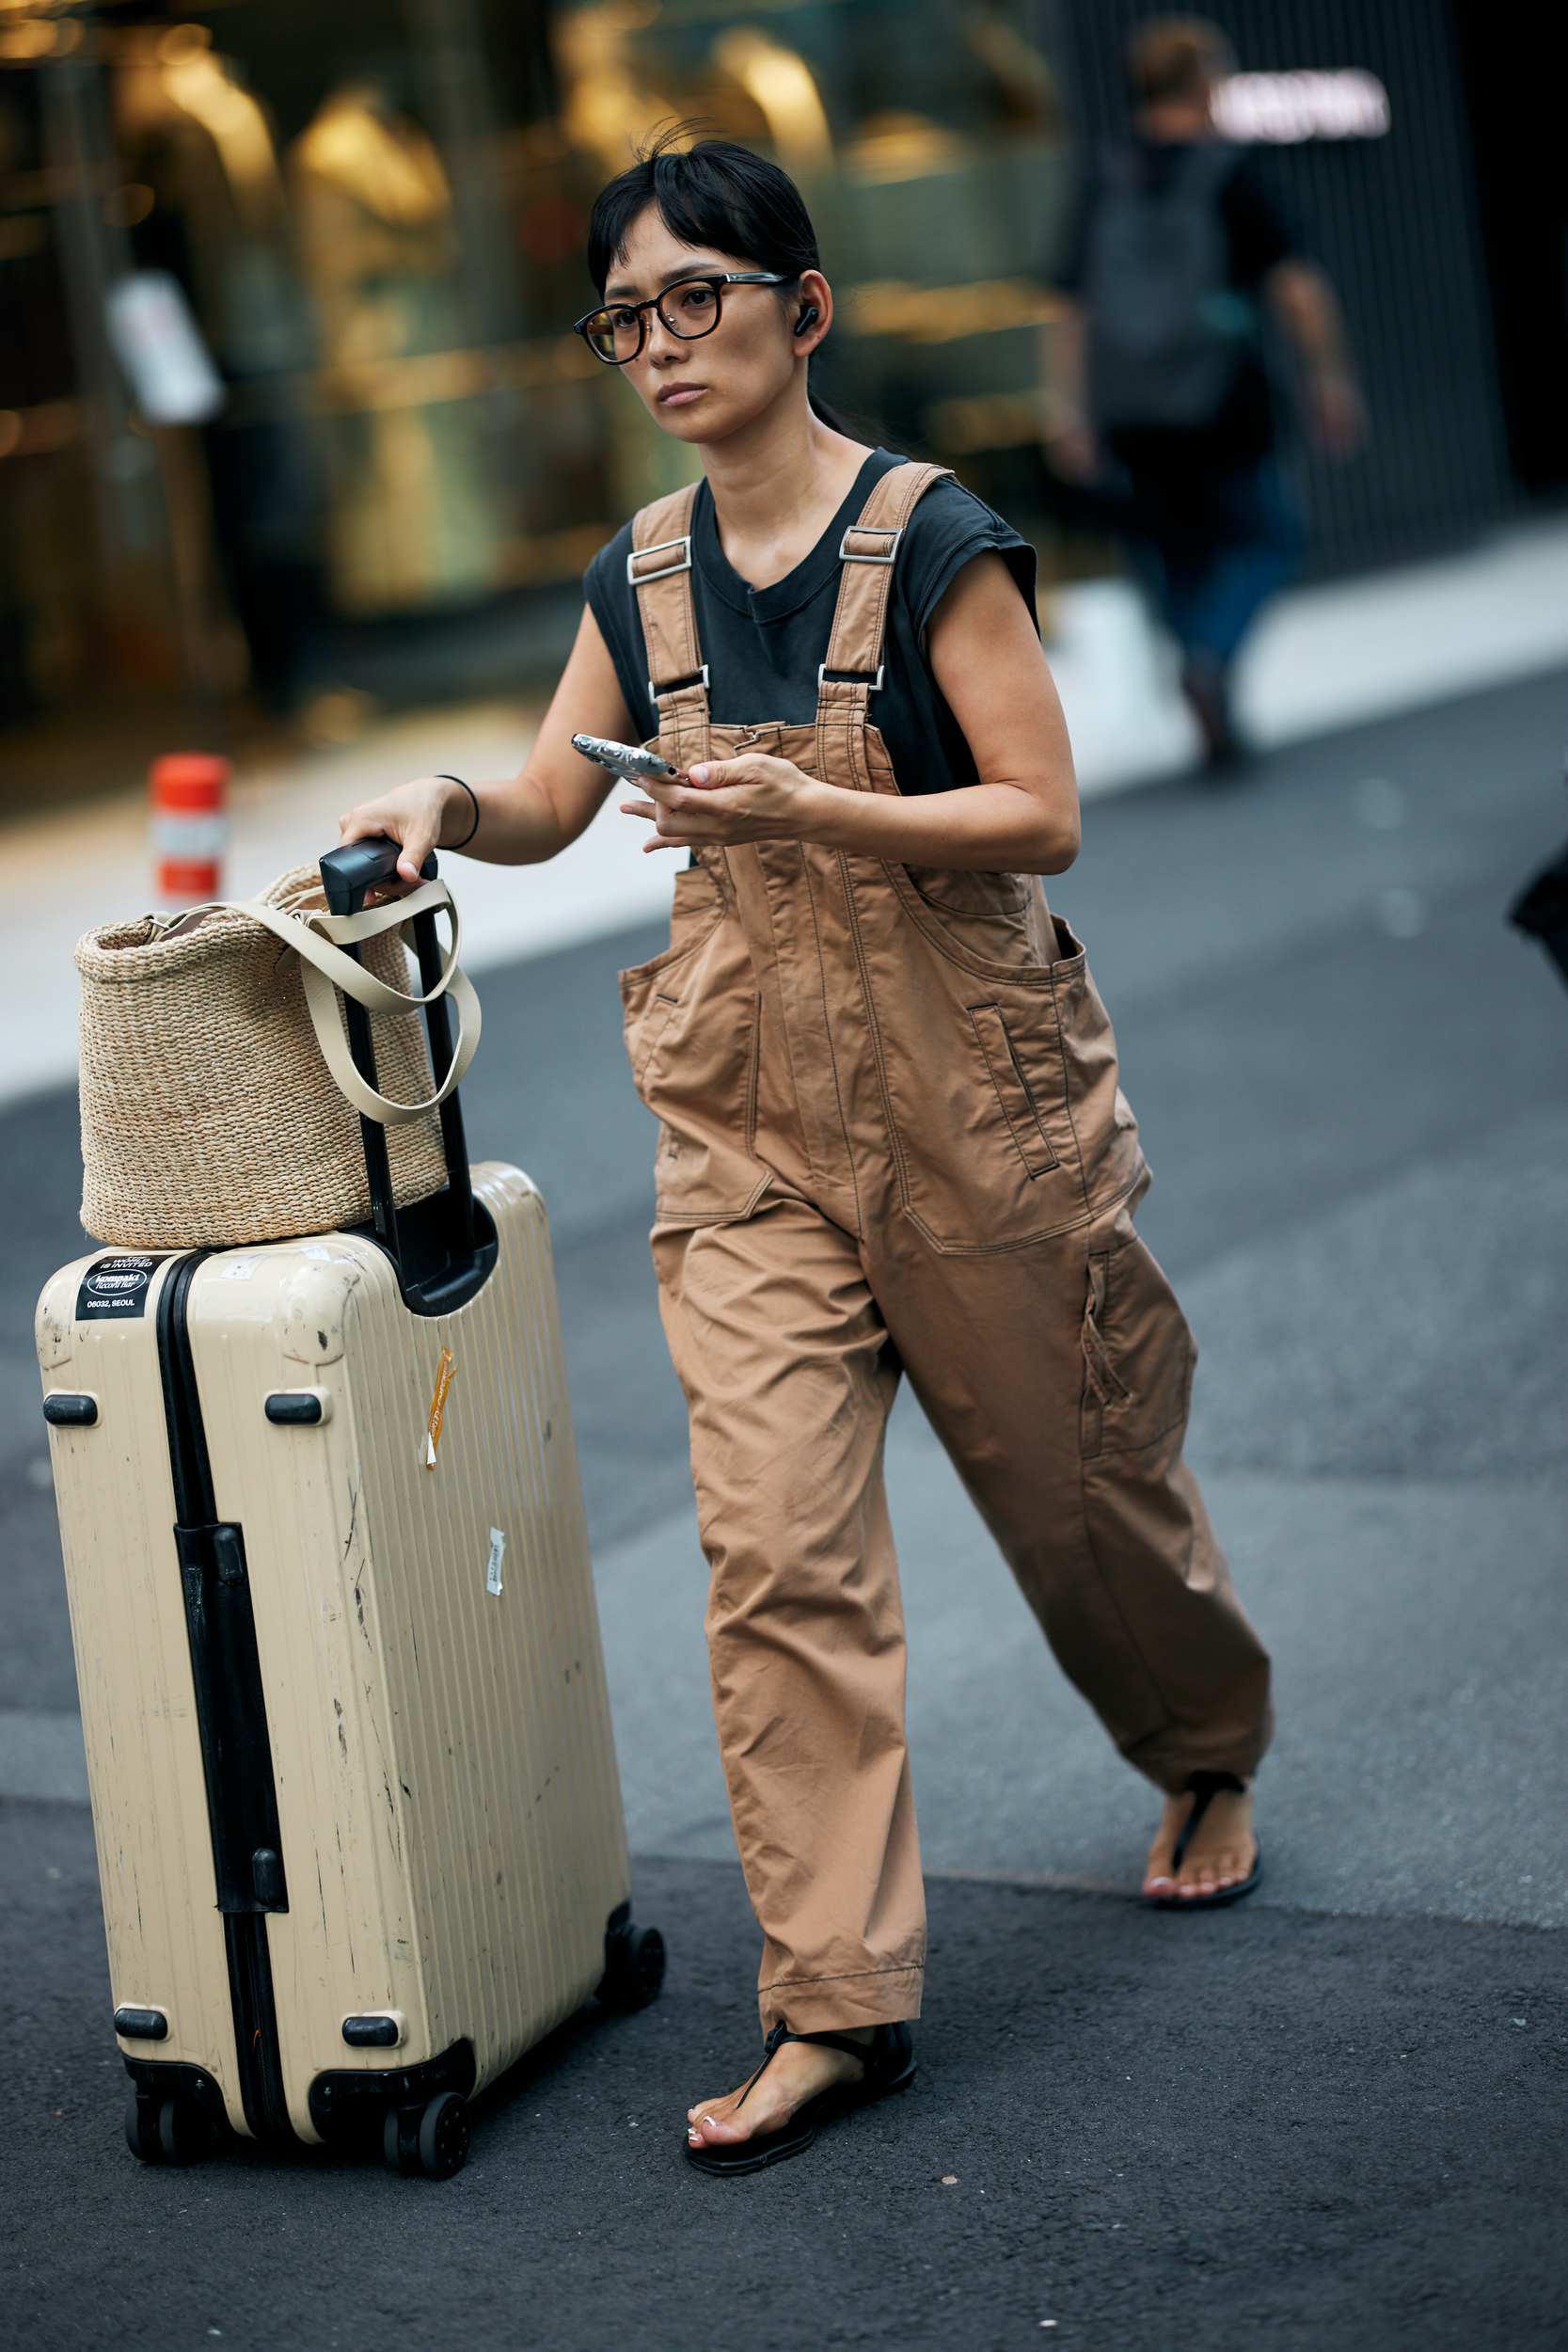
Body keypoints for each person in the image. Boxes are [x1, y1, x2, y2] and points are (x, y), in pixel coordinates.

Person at [339, 132, 1273, 2176]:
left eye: (693, 297)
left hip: (974, 1109)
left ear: (802, 308)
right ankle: (834, 2003)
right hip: (749, 1121)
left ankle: (1202, 1748)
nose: (656, 342)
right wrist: (439, 802)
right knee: (774, 1551)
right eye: (622, 315)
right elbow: (543, 792)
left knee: (1084, 1501)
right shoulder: (642, 576)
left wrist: (803, 809)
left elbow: (1037, 809)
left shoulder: (930, 537)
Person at [1042, 16, 1366, 766]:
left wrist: (1071, 408)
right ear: (1200, 84)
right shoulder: (1226, 173)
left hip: (1130, 411)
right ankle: (1211, 662)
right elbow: (1297, 290)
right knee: (1270, 535)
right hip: (1221, 401)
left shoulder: (1106, 177)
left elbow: (1067, 308)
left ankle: (1201, 671)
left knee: (1172, 553)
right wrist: (1328, 379)